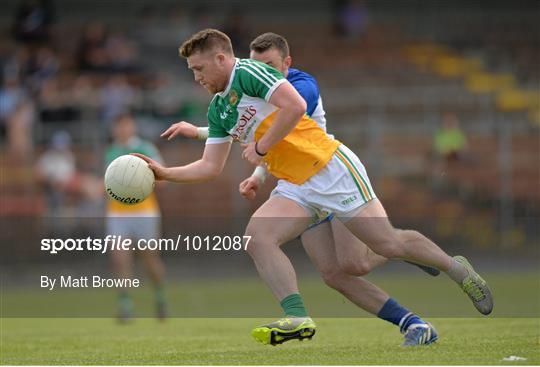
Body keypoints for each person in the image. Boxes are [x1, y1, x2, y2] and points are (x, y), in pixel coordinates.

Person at [134, 29, 493, 346]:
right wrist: (163, 174)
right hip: (296, 185)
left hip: (329, 169)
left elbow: (292, 106)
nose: (196, 77)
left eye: (199, 69)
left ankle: (454, 267)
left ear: (221, 58)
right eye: (192, 71)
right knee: (269, 242)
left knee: (382, 246)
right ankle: (308, 317)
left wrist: (260, 149)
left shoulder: (249, 72)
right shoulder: (218, 109)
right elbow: (209, 166)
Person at [105, 113, 167, 322]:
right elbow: (108, 184)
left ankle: (160, 298)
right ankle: (125, 306)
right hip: (117, 213)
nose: (122, 130)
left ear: (132, 127)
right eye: (118, 126)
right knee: (120, 259)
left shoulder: (146, 149)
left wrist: (139, 182)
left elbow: (164, 178)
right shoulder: (112, 151)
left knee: (150, 260)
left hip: (144, 212)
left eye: (125, 125)